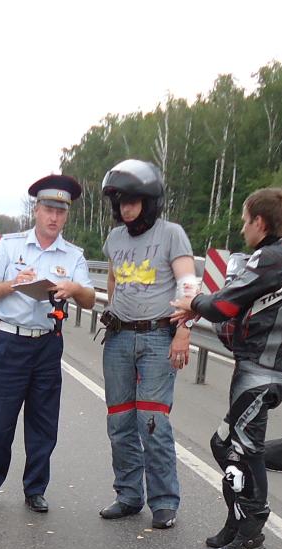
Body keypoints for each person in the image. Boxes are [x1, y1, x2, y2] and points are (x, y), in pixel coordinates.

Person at [171, 187, 282, 549]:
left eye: (244, 221)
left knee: (238, 450)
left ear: (260, 221)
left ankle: (250, 537)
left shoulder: (272, 257)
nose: (242, 229)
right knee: (232, 447)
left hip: (260, 373)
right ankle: (237, 526)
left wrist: (193, 304)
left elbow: (222, 304)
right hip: (266, 371)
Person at [0, 174, 96, 512]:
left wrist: (73, 288)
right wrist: (13, 283)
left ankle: (35, 489)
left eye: (61, 211)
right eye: (48, 209)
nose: (54, 217)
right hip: (10, 340)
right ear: (36, 211)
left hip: (46, 344)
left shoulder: (72, 256)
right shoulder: (11, 246)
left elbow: (90, 299)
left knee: (43, 422)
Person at [97, 159, 196, 528]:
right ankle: (128, 495)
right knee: (120, 421)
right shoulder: (115, 238)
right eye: (120, 201)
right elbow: (112, 281)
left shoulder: (172, 234)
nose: (126, 208)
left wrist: (184, 332)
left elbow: (188, 284)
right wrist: (111, 312)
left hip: (158, 337)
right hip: (119, 337)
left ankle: (165, 501)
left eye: (133, 201)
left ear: (150, 201)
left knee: (152, 421)